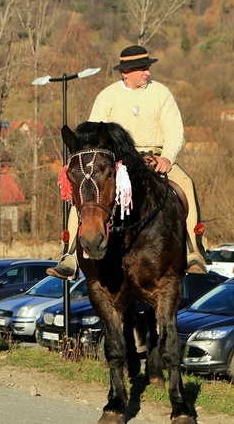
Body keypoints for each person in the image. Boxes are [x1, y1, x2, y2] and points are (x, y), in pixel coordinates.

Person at [49, 45, 209, 279]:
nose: (147, 72)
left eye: (147, 67)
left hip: (157, 158)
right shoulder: (107, 96)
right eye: (142, 68)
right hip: (118, 162)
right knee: (86, 192)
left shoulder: (161, 93)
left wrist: (167, 158)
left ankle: (194, 251)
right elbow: (93, 136)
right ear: (125, 72)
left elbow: (176, 132)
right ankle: (70, 255)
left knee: (186, 184)